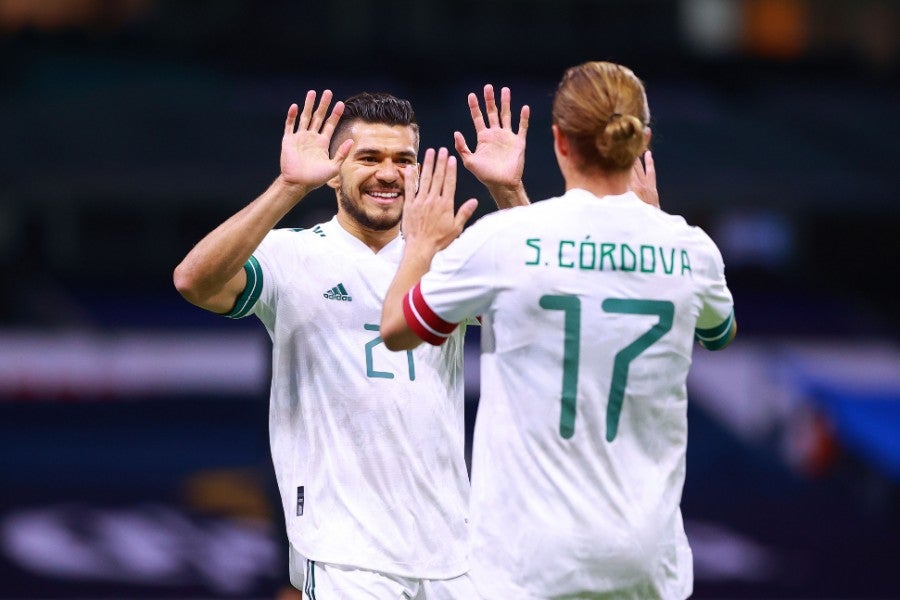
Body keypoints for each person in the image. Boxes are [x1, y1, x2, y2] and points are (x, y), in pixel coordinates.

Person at [380, 60, 737, 599]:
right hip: (647, 560)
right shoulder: (692, 250)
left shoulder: (504, 240)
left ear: (559, 141)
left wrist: (421, 241)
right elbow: (719, 333)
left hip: (526, 561)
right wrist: (654, 224)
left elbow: (397, 328)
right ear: (642, 141)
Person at [173, 86, 529, 598]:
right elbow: (193, 281)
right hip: (345, 550)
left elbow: (542, 302)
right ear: (334, 171)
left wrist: (510, 191)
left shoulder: (446, 259)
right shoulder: (291, 255)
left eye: (403, 159)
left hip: (454, 549)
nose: (388, 172)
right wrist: (288, 187)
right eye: (368, 157)